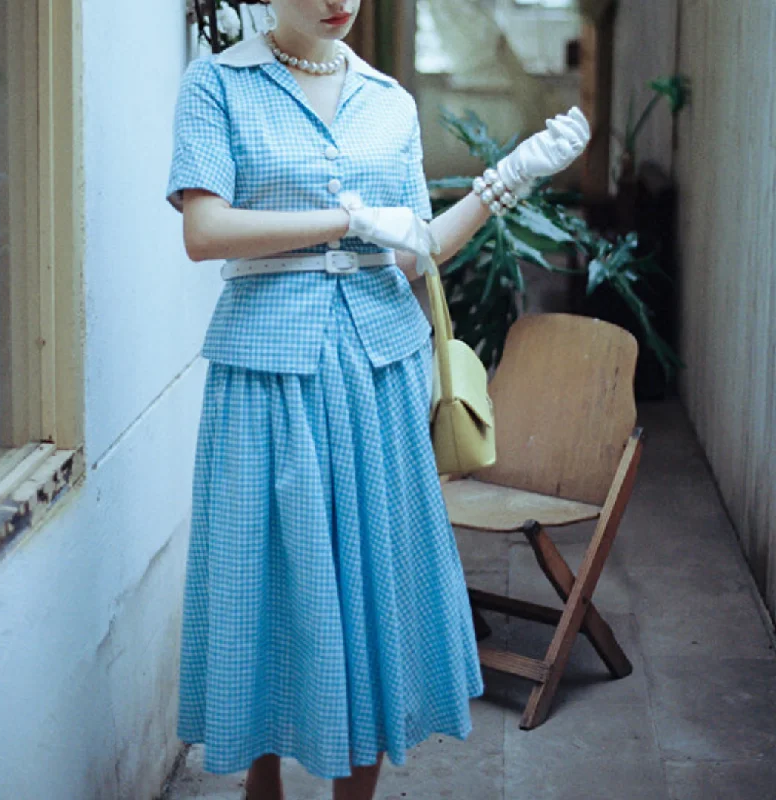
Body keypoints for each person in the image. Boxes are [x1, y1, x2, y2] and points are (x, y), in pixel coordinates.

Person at [165, 2, 590, 798]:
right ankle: (265, 784)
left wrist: (509, 178)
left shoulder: (388, 101)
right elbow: (205, 230)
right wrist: (346, 218)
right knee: (262, 576)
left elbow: (413, 251)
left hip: (377, 372)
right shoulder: (217, 84)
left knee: (370, 585)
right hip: (266, 370)